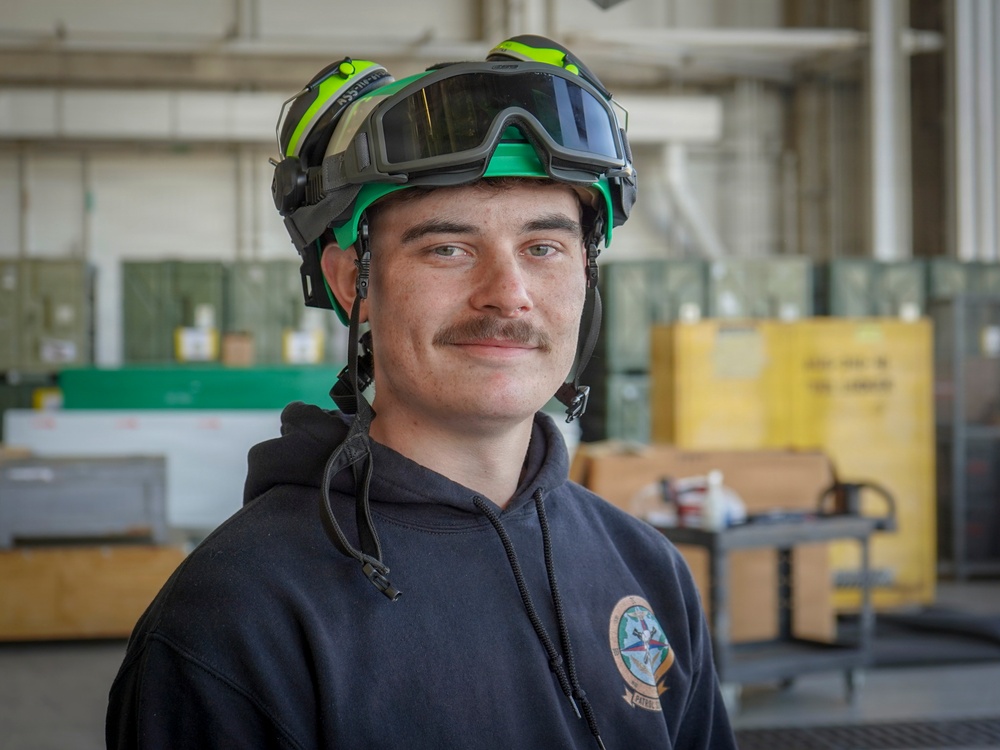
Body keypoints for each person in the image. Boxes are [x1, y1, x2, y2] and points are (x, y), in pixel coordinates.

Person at [106, 35, 737, 749]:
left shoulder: (647, 569)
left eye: (544, 247)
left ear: (587, 274)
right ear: (354, 284)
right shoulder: (234, 620)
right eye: (448, 248)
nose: (509, 297)